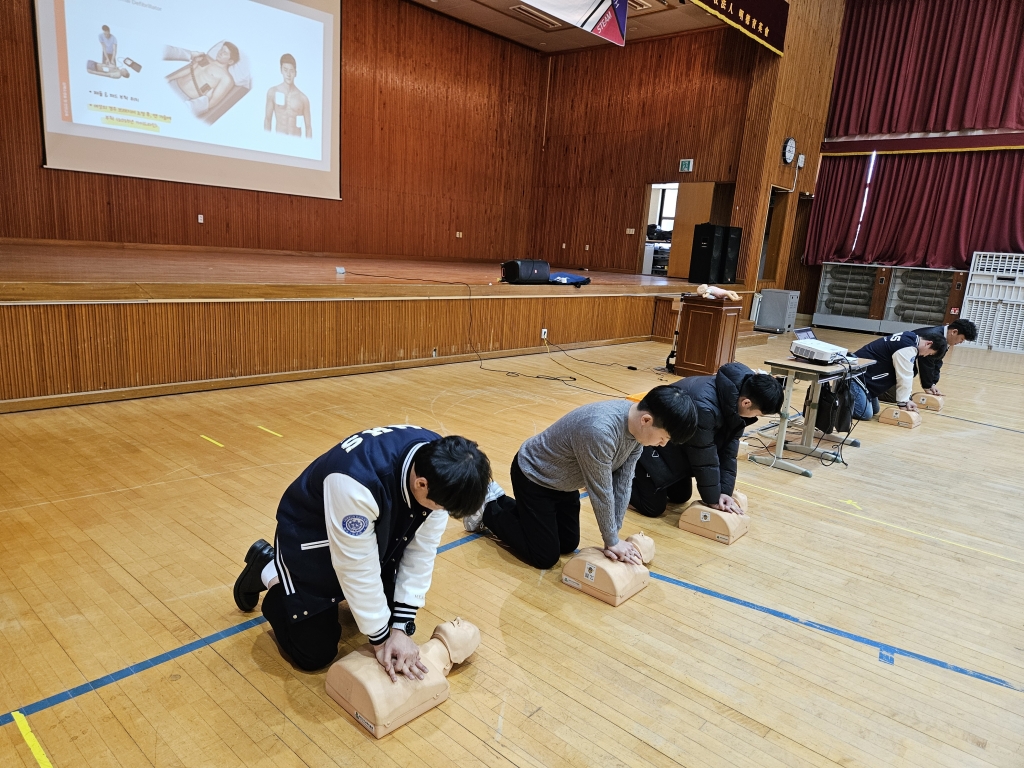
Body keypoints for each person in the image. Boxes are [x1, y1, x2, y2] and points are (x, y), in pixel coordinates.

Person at [232, 426, 491, 679]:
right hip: (309, 535)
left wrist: (400, 628)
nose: (441, 511)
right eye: (441, 507)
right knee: (313, 654)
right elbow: (355, 567)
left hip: (373, 532)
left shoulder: (441, 466)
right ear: (421, 484)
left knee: (390, 617)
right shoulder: (356, 482)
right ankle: (270, 568)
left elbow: (421, 551)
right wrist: (381, 641)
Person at [462, 386, 698, 569]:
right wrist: (612, 541)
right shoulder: (600, 431)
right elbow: (601, 490)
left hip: (564, 484)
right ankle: (488, 508)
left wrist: (613, 536)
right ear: (646, 420)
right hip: (535, 476)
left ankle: (502, 500)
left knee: (567, 544)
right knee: (544, 557)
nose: (663, 445)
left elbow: (623, 482)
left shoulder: (637, 434)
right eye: (663, 438)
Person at [629, 364, 784, 518]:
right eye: (758, 414)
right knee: (653, 508)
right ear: (746, 403)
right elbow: (704, 456)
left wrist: (723, 492)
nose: (754, 418)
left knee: (680, 497)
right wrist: (713, 499)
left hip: (675, 447)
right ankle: (620, 476)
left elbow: (728, 453)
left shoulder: (736, 397)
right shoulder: (704, 407)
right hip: (650, 445)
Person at [851, 330, 947, 420]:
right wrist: (904, 402)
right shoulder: (908, 348)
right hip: (855, 375)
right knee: (864, 414)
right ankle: (839, 398)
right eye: (929, 353)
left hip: (865, 375)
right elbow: (905, 376)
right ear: (928, 343)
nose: (925, 356)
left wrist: (906, 398)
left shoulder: (910, 336)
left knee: (874, 410)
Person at [881, 319, 977, 400]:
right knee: (896, 397)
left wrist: (932, 384)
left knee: (903, 394)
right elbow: (926, 363)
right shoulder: (934, 336)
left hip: (900, 363)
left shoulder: (943, 338)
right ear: (954, 332)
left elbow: (937, 361)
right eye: (962, 339)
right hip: (888, 362)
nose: (961, 342)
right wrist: (927, 386)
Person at [164, 42, 241, 116]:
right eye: (221, 49)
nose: (220, 53)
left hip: (183, 99)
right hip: (172, 85)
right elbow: (188, 70)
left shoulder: (226, 78)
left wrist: (188, 107)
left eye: (225, 53)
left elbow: (211, 102)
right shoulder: (206, 59)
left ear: (230, 61)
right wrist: (168, 78)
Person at [265, 53, 312, 138]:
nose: (288, 74)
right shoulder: (273, 92)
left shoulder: (303, 98)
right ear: (281, 70)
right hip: (278, 141)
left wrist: (307, 147)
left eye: (291, 71)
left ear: (295, 73)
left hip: (296, 144)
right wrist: (265, 143)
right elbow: (268, 120)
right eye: (285, 70)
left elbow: (308, 127)